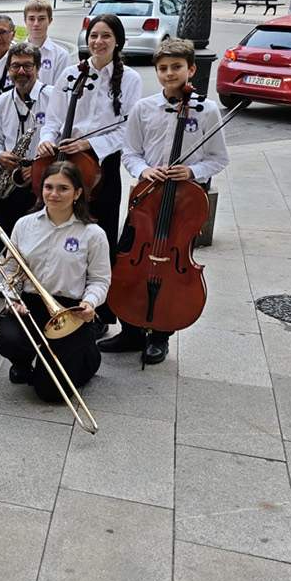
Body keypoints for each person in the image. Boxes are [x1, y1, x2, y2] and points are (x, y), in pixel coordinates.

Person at [99, 37, 229, 364]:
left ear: (191, 70)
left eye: (176, 67)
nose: (170, 74)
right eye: (163, 68)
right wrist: (145, 171)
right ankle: (130, 330)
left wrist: (192, 170)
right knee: (128, 261)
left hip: (183, 202)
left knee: (171, 265)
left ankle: (160, 334)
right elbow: (130, 152)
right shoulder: (144, 108)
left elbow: (218, 158)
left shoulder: (207, 110)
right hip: (146, 198)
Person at [37, 11, 142, 321]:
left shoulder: (131, 79)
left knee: (102, 233)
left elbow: (126, 130)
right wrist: (47, 139)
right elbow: (53, 118)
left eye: (106, 36)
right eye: (94, 35)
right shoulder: (71, 74)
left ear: (117, 41)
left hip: (101, 165)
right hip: (65, 160)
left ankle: (100, 307)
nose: (98, 41)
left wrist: (87, 145)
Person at [0, 160, 109, 402]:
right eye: (48, 187)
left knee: (50, 393)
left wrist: (90, 303)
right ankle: (24, 361)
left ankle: (87, 354)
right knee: (7, 338)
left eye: (63, 188)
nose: (54, 194)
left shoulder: (93, 234)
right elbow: (10, 270)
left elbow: (99, 280)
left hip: (70, 308)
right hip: (31, 302)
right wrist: (12, 300)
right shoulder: (24, 225)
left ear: (77, 193)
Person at [0, 43, 54, 241]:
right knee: (10, 236)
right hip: (11, 179)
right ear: (8, 70)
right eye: (15, 66)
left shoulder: (53, 97)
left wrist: (38, 167)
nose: (21, 71)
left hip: (42, 180)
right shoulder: (1, 101)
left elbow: (61, 140)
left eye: (27, 66)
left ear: (38, 68)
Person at [22, 0, 75, 88]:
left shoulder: (61, 56)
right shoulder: (14, 53)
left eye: (41, 19)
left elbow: (60, 90)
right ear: (25, 21)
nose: (36, 24)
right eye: (31, 19)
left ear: (50, 21)